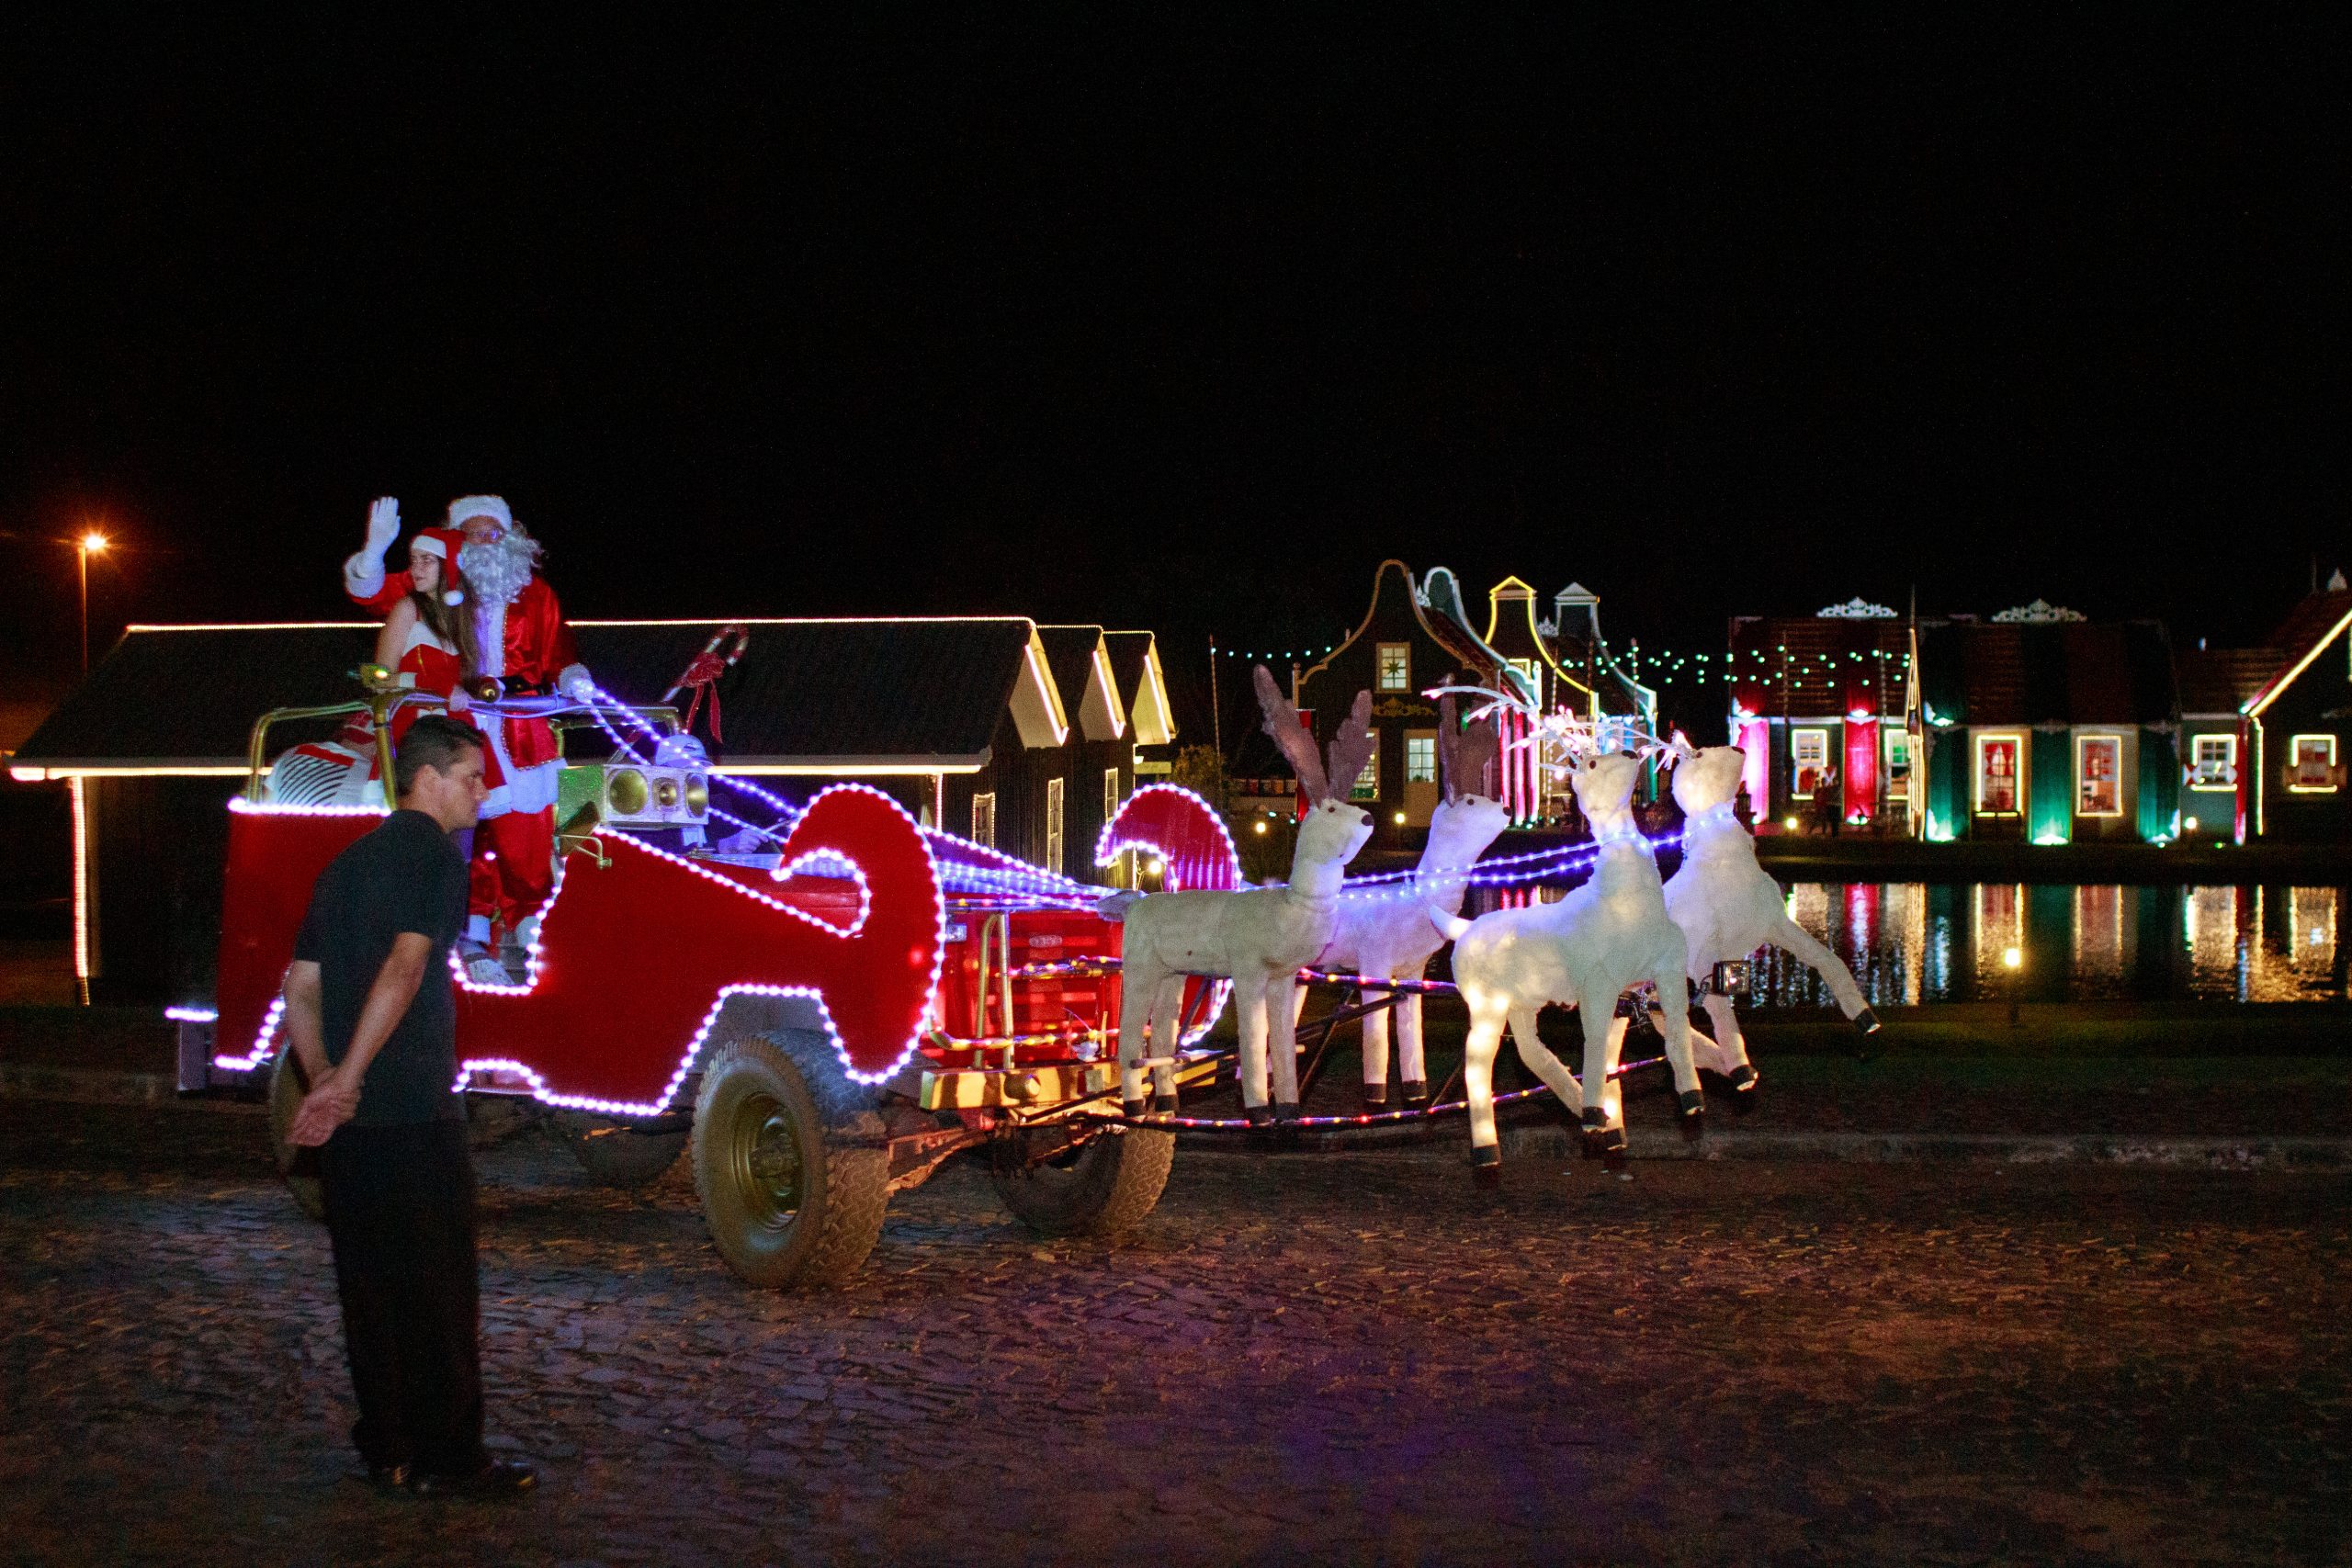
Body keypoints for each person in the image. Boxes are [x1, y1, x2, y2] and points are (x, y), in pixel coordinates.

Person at [283, 716, 537, 1500]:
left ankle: (386, 1448)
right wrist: (351, 1076)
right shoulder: (434, 857)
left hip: (352, 1133)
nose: (483, 790)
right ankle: (450, 1456)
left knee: (370, 1289)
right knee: (437, 1291)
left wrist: (322, 1073)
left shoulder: (343, 865)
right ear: (427, 779)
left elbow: (301, 983)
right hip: (414, 1113)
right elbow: (405, 965)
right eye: (471, 776)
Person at [346, 496, 596, 981]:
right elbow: (373, 596)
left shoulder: (537, 593)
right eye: (475, 532)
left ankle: (529, 926)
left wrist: (573, 680)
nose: (487, 540)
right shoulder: (436, 586)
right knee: (465, 835)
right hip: (456, 725)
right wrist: (373, 554)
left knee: (529, 834)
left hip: (521, 727)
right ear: (458, 541)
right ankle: (470, 931)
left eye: (494, 531)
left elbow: (560, 654)